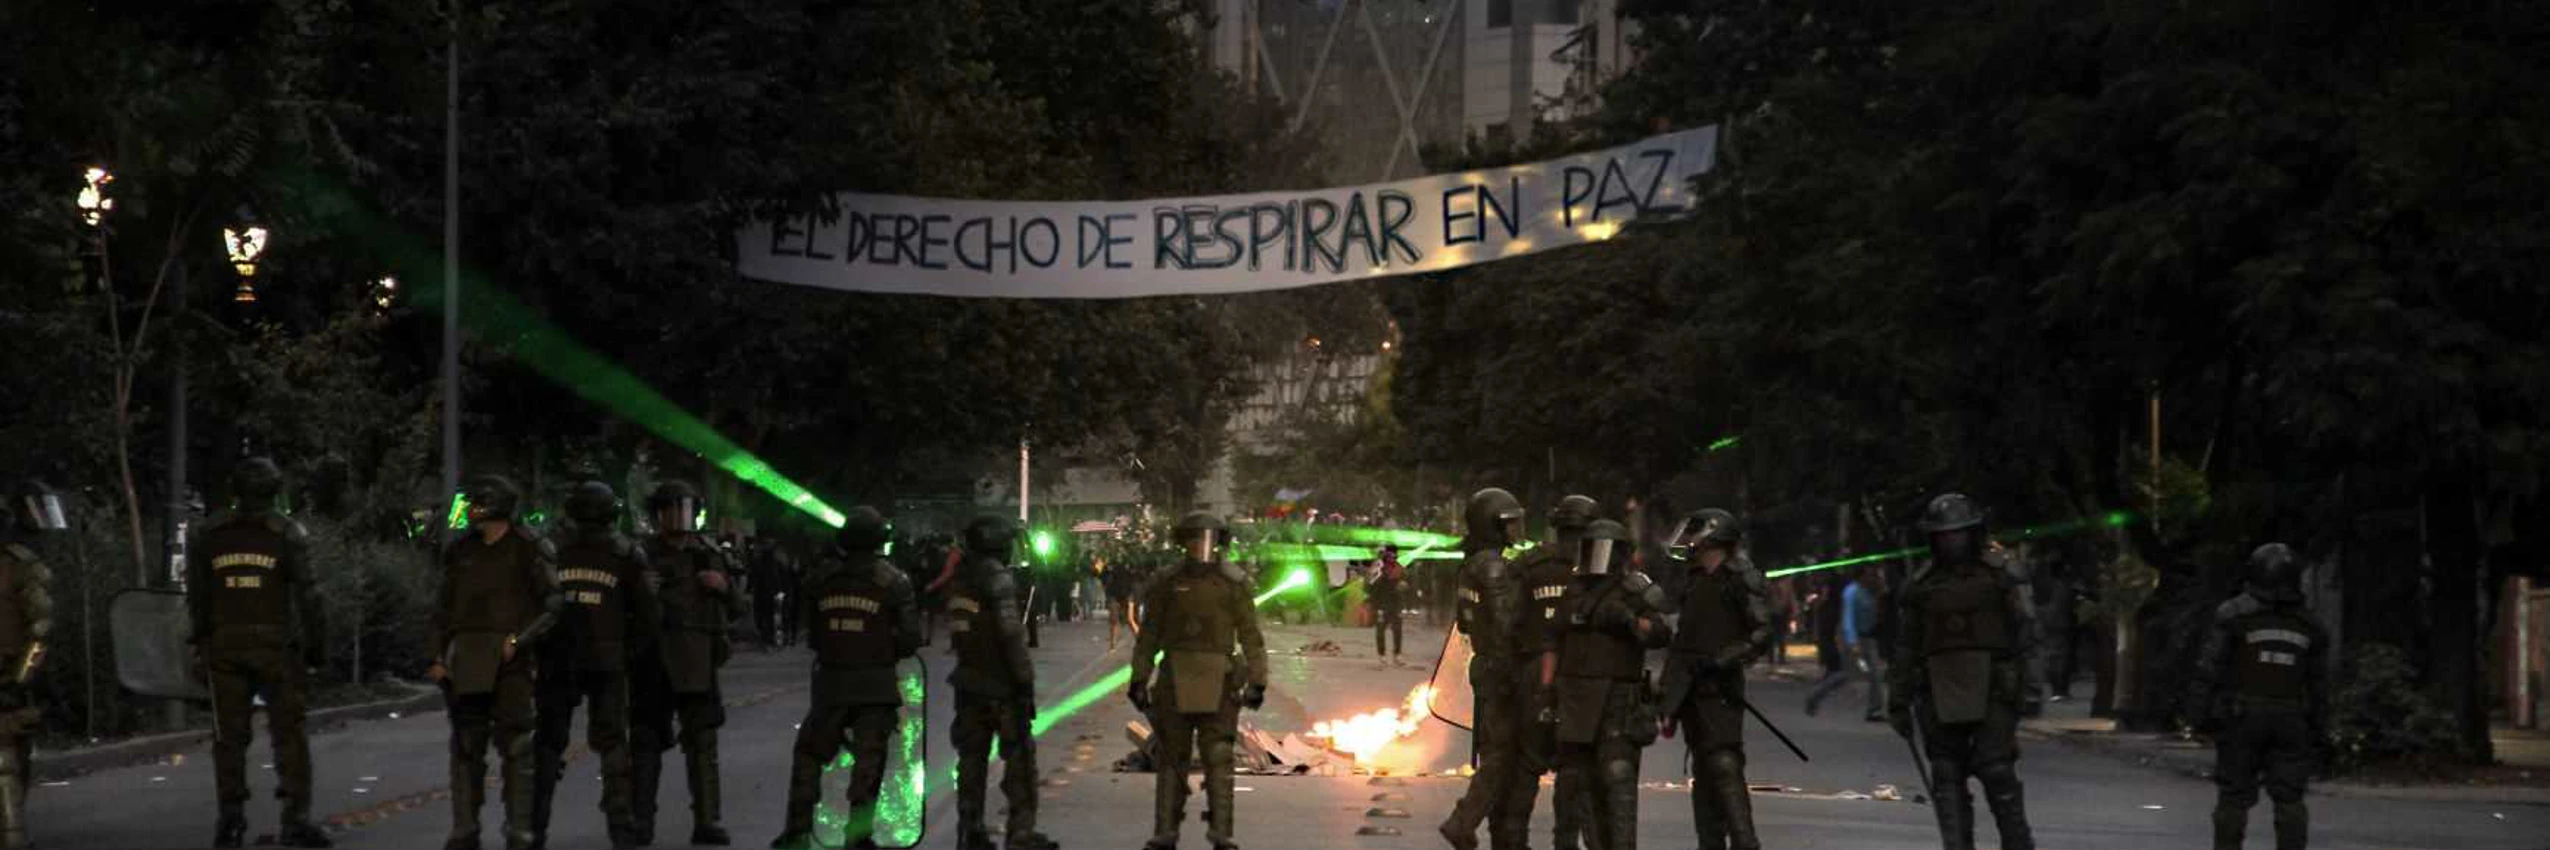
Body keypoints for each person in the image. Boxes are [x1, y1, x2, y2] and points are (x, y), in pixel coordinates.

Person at [188, 459, 332, 848]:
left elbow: (198, 598)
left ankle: (230, 819)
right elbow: (310, 596)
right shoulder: (286, 534)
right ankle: (296, 817)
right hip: (275, 648)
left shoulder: (209, 535)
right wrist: (317, 650)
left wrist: (200, 643)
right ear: (274, 490)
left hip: (224, 647)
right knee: (288, 734)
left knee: (228, 737)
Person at [1888, 493, 2039, 850]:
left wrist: (2032, 687)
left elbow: (2027, 635)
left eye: (1957, 534)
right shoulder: (1923, 585)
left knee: (1997, 771)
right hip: (1939, 689)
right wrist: (1898, 699)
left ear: (1973, 533)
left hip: (1995, 687)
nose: (1951, 541)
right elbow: (1907, 646)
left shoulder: (2002, 575)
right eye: (1943, 535)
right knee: (1946, 777)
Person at [772, 508, 920, 850]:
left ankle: (796, 832)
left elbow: (811, 633)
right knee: (869, 763)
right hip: (875, 686)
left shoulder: (822, 579)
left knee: (809, 756)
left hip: (831, 684)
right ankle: (858, 835)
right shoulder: (895, 582)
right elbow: (910, 639)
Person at [432, 475, 563, 850]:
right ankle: (464, 829)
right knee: (465, 746)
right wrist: (436, 656)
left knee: (518, 744)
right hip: (465, 658)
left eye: (477, 502)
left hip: (511, 661)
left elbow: (553, 604)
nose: (470, 509)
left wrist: (520, 642)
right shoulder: (460, 552)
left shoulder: (529, 548)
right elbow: (442, 608)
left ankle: (519, 830)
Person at [528, 481, 658, 850]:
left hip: (559, 660)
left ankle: (533, 828)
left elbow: (534, 605)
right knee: (613, 742)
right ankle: (622, 827)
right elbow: (648, 615)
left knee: (549, 744)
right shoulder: (626, 554)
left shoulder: (553, 551)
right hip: (607, 661)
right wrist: (627, 653)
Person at [1129, 512, 1270, 850]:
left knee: (1219, 758)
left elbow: (1251, 636)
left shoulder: (1233, 583)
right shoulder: (1166, 582)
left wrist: (1257, 680)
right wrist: (1139, 677)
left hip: (1220, 680)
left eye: (1207, 538)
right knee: (1171, 760)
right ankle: (1166, 831)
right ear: (1183, 542)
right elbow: (1148, 637)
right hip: (1175, 678)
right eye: (1194, 538)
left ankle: (1221, 832)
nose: (1200, 545)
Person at [2189, 543, 2329, 850]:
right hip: (2292, 719)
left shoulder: (2233, 615)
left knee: (2233, 797)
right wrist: (2321, 728)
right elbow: (2320, 684)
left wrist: (2198, 717)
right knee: (2290, 798)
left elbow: (2208, 668)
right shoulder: (2310, 625)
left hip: (2241, 718)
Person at [1553, 520, 1672, 850]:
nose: (1597, 558)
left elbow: (1661, 633)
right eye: (1592, 548)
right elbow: (1556, 632)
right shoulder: (1574, 588)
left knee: (1618, 778)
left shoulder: (1637, 590)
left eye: (1604, 549)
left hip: (1619, 700)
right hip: (1576, 701)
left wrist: (1631, 621)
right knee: (1578, 785)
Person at [633, 481, 739, 846]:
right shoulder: (641, 554)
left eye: (686, 509)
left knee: (703, 744)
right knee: (646, 745)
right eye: (672, 509)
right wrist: (642, 590)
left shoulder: (708, 553)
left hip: (698, 658)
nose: (680, 517)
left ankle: (707, 819)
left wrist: (722, 586)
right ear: (659, 513)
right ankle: (641, 821)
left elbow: (737, 608)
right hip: (653, 660)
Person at [1659, 508, 1772, 850]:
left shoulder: (1740, 577)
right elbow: (1682, 641)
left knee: (1724, 763)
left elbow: (1762, 632)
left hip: (1720, 688)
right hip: (1690, 689)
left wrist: (1721, 661)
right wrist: (1667, 695)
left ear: (1713, 537)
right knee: (1704, 774)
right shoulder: (1693, 580)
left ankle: (1745, 841)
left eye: (1695, 533)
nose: (1689, 540)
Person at [947, 516, 1057, 850]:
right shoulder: (998, 579)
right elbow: (1011, 634)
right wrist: (1024, 680)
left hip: (968, 683)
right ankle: (1020, 832)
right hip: (1001, 687)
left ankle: (971, 829)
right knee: (1020, 761)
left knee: (971, 761)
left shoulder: (961, 580)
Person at [1439, 488, 1526, 850]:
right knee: (1502, 755)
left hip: (1487, 666)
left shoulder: (1471, 565)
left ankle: (1496, 832)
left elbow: (1465, 622)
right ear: (1493, 525)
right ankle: (1463, 820)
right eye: (1509, 523)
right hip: (1502, 669)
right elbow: (1508, 624)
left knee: (1498, 752)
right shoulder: (1492, 567)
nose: (1516, 530)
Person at [1512, 494, 1597, 850]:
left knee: (1527, 765)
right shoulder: (1598, 572)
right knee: (1575, 767)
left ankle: (1512, 840)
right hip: (1580, 677)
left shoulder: (1530, 565)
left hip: (1533, 672)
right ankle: (1569, 842)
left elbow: (1509, 621)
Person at [0, 482, 60, 850]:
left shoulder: (19, 568)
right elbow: (41, 628)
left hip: (8, 679)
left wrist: (20, 679)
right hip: (9, 681)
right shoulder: (22, 567)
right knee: (9, 760)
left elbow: (39, 630)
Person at [1805, 563, 1888, 722]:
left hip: (1868, 638)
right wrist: (1852, 642)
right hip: (1852, 638)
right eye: (1870, 574)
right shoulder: (1852, 592)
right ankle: (1815, 695)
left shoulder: (1873, 590)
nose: (1873, 577)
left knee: (1875, 674)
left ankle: (1874, 709)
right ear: (1861, 575)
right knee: (1848, 675)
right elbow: (1848, 618)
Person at [1369, 544, 1408, 666]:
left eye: (1394, 554)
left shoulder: (1399, 568)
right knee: (1380, 631)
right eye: (1390, 554)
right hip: (1382, 604)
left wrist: (1404, 586)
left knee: (1397, 630)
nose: (1392, 557)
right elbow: (1372, 585)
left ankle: (1397, 655)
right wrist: (1375, 605)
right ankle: (1382, 655)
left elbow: (1406, 584)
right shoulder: (1379, 567)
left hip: (1396, 604)